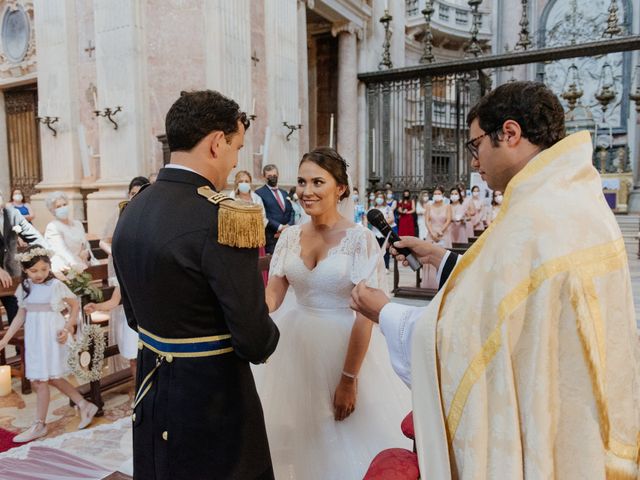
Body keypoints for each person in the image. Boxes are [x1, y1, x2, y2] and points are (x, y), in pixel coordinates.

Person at [350, 81, 640, 479]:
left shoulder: (536, 218)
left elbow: (469, 342)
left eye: (476, 145)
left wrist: (385, 312)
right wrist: (443, 258)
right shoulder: (569, 201)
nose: (473, 162)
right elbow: (513, 292)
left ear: (510, 133)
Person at [112, 90, 280, 479]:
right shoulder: (221, 218)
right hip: (211, 401)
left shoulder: (132, 208)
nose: (236, 160)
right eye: (237, 147)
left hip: (152, 387)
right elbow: (254, 340)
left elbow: (136, 318)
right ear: (217, 142)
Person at [260, 147, 411, 479]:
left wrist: (349, 379)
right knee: (300, 432)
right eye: (301, 182)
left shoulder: (360, 240)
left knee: (342, 433)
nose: (306, 191)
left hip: (345, 348)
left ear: (340, 188)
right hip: (294, 345)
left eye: (318, 182)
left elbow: (365, 314)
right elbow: (276, 288)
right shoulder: (288, 236)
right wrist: (257, 313)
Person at [0, 246, 99, 442]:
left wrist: (69, 327)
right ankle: (84, 404)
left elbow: (74, 305)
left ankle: (39, 424)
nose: (40, 274)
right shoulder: (25, 286)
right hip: (35, 338)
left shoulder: (55, 285)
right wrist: (5, 339)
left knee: (41, 381)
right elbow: (21, 315)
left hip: (52, 335)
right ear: (25, 270)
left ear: (49, 267)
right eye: (34, 270)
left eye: (44, 269)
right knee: (50, 378)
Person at [0, 189, 48, 325]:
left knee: (18, 321)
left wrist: (48, 257)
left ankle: (20, 347)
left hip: (12, 276)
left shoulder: (12, 214)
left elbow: (35, 237)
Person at [44, 192, 94, 274]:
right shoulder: (53, 227)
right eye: (58, 206)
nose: (63, 208)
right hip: (65, 267)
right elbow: (61, 251)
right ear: (52, 211)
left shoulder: (78, 224)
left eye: (64, 204)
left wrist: (86, 253)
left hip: (83, 263)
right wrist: (76, 265)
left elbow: (85, 244)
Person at [255, 164, 294, 254]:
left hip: (287, 236)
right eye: (269, 176)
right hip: (271, 238)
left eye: (274, 175)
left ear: (278, 175)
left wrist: (288, 226)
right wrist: (279, 227)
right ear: (264, 177)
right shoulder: (259, 193)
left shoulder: (284, 193)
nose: (272, 178)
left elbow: (291, 211)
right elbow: (263, 215)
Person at [369, 191, 394, 271]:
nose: (380, 199)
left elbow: (391, 219)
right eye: (378, 197)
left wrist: (381, 222)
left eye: (381, 197)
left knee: (385, 250)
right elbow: (369, 219)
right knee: (375, 250)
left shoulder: (387, 208)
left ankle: (386, 266)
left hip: (384, 232)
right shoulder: (372, 208)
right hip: (375, 232)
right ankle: (376, 267)